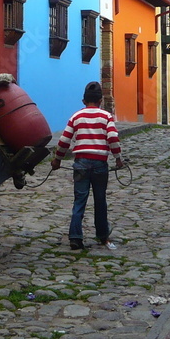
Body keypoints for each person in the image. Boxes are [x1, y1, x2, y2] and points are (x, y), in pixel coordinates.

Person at [51, 82, 124, 250]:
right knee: (100, 200)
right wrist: (118, 159)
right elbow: (113, 139)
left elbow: (64, 141)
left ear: (83, 101)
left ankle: (75, 237)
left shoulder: (76, 117)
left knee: (79, 200)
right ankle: (102, 235)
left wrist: (57, 160)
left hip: (81, 164)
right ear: (101, 100)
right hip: (100, 165)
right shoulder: (106, 117)